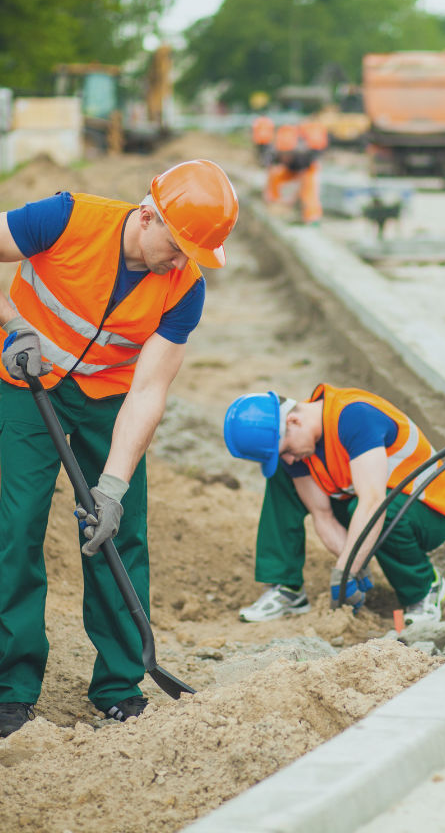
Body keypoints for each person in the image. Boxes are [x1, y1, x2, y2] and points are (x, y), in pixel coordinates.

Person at [0, 159, 239, 737]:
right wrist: (10, 324)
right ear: (148, 214)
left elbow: (150, 388)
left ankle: (118, 683)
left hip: (108, 399)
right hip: (25, 382)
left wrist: (112, 487)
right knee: (16, 523)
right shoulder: (64, 219)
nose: (181, 262)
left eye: (194, 256)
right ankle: (11, 686)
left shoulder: (185, 290)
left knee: (118, 529)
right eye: (178, 246)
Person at [223, 382, 445, 627]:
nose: (290, 458)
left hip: (427, 512)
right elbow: (322, 515)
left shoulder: (355, 417)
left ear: (293, 422)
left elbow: (373, 502)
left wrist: (345, 570)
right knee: (281, 477)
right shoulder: (298, 445)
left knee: (379, 509)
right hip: (365, 506)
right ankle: (287, 588)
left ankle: (424, 589)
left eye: (287, 450)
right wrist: (354, 563)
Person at [264, 119, 328, 224]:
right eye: (283, 154)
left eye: (288, 154)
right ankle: (274, 206)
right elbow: (270, 173)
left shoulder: (302, 157)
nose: (285, 158)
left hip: (307, 171)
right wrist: (269, 195)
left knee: (309, 191)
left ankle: (311, 217)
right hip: (289, 170)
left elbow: (302, 180)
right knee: (276, 175)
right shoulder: (274, 154)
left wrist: (291, 199)